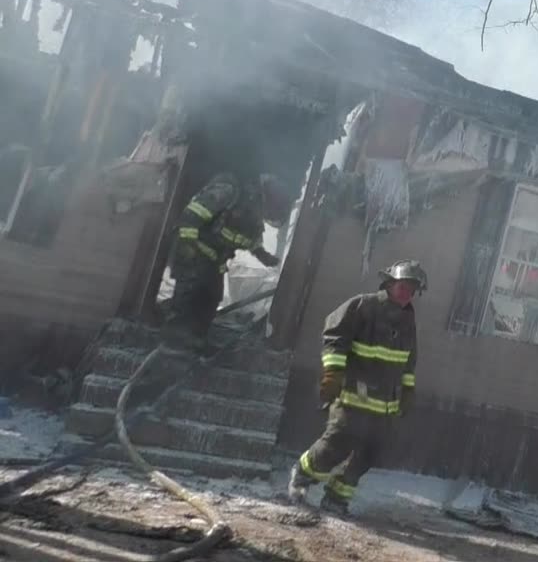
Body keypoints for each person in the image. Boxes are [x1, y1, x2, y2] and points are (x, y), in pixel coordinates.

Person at [287, 260, 426, 514]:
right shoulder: (364, 305)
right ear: (390, 283)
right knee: (336, 444)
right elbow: (334, 336)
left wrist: (407, 391)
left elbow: (408, 360)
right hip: (354, 396)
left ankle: (336, 499)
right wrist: (333, 372)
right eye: (403, 286)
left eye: (412, 289)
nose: (407, 293)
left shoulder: (408, 321)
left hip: (384, 405)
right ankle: (302, 475)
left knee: (368, 455)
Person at [160, 171, 290, 350]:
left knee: (212, 298)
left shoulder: (254, 211)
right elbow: (191, 216)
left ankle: (196, 342)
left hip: (214, 261)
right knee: (188, 299)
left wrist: (262, 255)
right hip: (193, 250)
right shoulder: (230, 192)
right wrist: (188, 246)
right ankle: (172, 346)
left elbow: (246, 237)